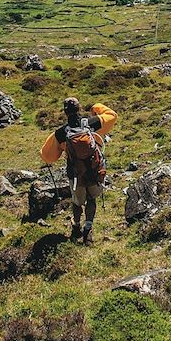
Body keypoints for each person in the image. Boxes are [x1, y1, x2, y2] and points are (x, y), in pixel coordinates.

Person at [40, 98, 118, 245]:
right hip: (94, 170)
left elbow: (47, 156)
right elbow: (112, 116)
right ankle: (88, 229)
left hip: (75, 174)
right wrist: (96, 107)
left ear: (65, 112)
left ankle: (76, 226)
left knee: (77, 203)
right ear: (79, 108)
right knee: (92, 199)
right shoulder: (92, 123)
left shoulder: (61, 133)